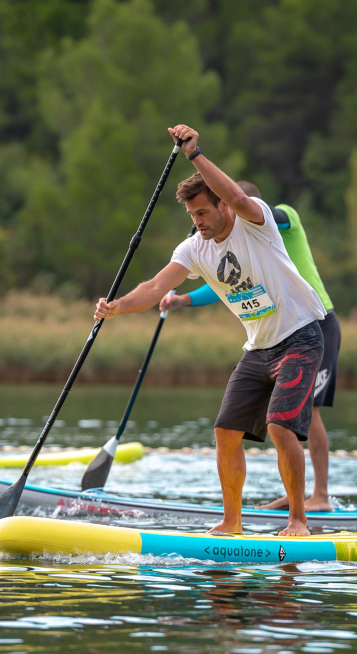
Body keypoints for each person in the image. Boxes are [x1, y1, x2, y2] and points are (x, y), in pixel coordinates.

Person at [95, 124, 326, 537]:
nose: (197, 221)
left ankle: (298, 520)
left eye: (202, 212)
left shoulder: (254, 222)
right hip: (258, 348)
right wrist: (116, 307)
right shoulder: (193, 249)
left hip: (301, 336)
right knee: (224, 431)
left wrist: (194, 154)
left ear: (222, 206)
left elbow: (238, 196)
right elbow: (155, 287)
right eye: (191, 215)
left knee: (279, 426)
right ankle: (231, 523)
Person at [161, 181, 340, 513]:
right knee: (279, 420)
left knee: (307, 412)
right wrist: (184, 298)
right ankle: (297, 493)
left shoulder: (280, 217)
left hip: (316, 321)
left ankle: (320, 496)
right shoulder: (238, 243)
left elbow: (251, 207)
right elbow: (226, 283)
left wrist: (232, 207)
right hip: (276, 334)